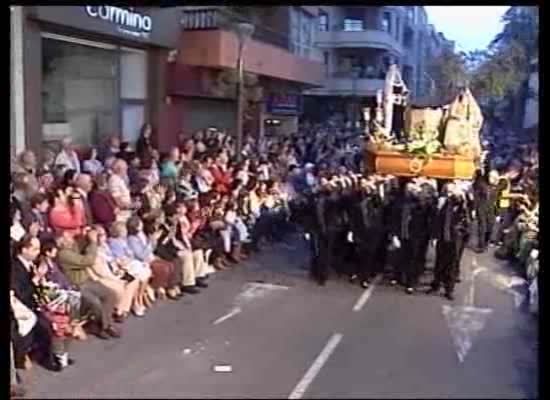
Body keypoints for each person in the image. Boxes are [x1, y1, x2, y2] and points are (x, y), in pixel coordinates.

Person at [57, 228, 121, 339]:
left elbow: (82, 245)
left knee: (110, 295)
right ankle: (104, 326)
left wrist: (86, 235)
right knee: (95, 303)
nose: (71, 238)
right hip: (78, 285)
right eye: (67, 237)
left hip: (87, 280)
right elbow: (87, 261)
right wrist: (93, 242)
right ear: (61, 242)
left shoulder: (72, 247)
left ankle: (104, 325)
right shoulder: (63, 254)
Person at [427, 184, 470, 300]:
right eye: (448, 192)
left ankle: (449, 289)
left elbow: (466, 222)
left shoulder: (461, 205)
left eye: (452, 192)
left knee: (452, 265)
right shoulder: (444, 204)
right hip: (443, 238)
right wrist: (434, 237)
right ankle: (436, 284)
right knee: (439, 262)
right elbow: (439, 220)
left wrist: (462, 236)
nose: (450, 194)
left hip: (455, 239)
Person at [91, 225, 141, 320]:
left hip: (114, 271)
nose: (104, 237)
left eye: (104, 234)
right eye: (101, 235)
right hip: (104, 277)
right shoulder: (94, 251)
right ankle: (118, 310)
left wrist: (119, 269)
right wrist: (116, 277)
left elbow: (113, 260)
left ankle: (122, 309)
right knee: (120, 285)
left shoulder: (105, 246)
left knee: (134, 279)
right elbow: (100, 271)